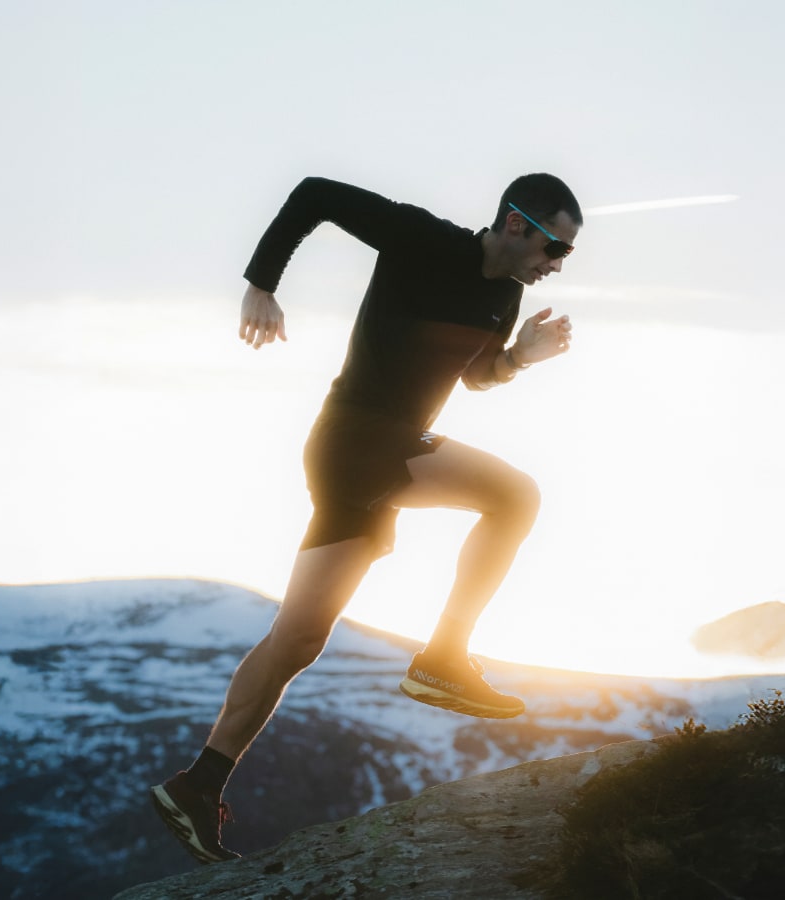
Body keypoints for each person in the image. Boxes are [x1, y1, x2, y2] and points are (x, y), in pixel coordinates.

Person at [150, 173, 582, 864]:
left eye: (565, 254)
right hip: (358, 440)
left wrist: (517, 360)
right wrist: (262, 283)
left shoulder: (504, 296)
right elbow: (314, 192)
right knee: (517, 496)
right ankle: (444, 658)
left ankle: (198, 784)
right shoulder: (420, 237)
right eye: (553, 244)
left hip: (368, 464)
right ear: (513, 223)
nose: (556, 263)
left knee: (297, 640)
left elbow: (475, 375)